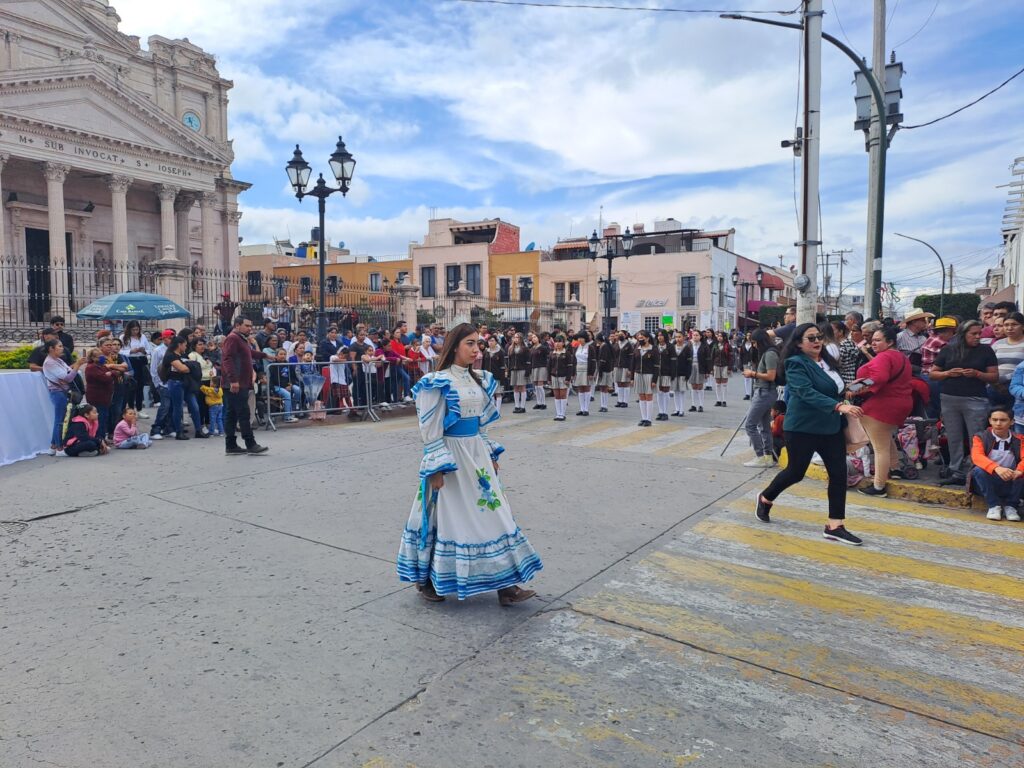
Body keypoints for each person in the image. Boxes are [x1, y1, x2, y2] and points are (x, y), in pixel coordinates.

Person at [396, 322, 542, 604]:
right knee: (447, 519)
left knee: (494, 513)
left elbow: (481, 424)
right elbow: (430, 428)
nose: (477, 349)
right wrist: (437, 467)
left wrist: (489, 454)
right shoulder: (436, 381)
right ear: (454, 347)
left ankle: (506, 586)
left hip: (477, 456)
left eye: (478, 344)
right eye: (470, 344)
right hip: (451, 458)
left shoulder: (482, 379)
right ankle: (428, 581)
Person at [755, 323, 865, 545]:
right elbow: (805, 392)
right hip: (802, 428)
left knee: (838, 474)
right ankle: (766, 497)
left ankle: (835, 525)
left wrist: (848, 391)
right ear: (798, 343)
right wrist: (838, 406)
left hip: (831, 426)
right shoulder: (795, 364)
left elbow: (831, 389)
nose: (817, 341)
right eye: (811, 338)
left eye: (819, 337)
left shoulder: (827, 362)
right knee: (795, 472)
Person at [930, 320, 998, 485]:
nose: (977, 337)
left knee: (976, 436)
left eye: (979, 334)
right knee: (953, 436)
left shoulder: (985, 350)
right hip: (949, 397)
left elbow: (994, 376)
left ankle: (976, 470)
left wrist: (977, 374)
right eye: (973, 334)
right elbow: (933, 373)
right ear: (963, 334)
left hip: (975, 399)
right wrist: (948, 373)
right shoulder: (948, 350)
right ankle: (956, 470)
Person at [854, 325, 914, 497]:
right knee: (886, 440)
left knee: (880, 447)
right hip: (900, 403)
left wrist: (855, 388)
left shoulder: (884, 357)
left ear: (890, 342)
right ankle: (895, 469)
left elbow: (878, 378)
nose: (874, 343)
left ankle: (879, 486)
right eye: (872, 340)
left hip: (881, 406)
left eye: (878, 340)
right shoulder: (901, 357)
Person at [221, 316, 269, 455]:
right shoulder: (233, 338)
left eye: (251, 326)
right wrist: (233, 380)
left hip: (240, 382)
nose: (250, 328)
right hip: (236, 383)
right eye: (247, 326)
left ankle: (231, 445)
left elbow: (249, 353)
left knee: (232, 414)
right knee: (243, 413)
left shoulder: (240, 339)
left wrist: (265, 355)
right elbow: (227, 359)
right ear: (237, 325)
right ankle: (250, 443)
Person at [969, 407, 1024, 521]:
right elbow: (977, 457)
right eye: (994, 420)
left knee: (1022, 473)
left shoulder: (1020, 439)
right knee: (978, 470)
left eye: (1003, 420)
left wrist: (1019, 471)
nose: (998, 423)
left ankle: (1012, 506)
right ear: (989, 421)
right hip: (987, 483)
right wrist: (996, 468)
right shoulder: (980, 437)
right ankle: (993, 505)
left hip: (1011, 481)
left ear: (1012, 422)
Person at [41, 338, 87, 456]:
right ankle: (60, 448)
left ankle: (53, 445)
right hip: (57, 392)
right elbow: (68, 377)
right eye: (59, 346)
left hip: (63, 391)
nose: (62, 348)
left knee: (61, 418)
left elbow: (68, 373)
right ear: (51, 349)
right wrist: (77, 365)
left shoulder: (59, 360)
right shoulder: (49, 362)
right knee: (60, 420)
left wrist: (71, 371)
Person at [742, 329, 779, 467]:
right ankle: (767, 457)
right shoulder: (769, 352)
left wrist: (752, 373)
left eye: (755, 342)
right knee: (764, 426)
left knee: (750, 425)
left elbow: (771, 376)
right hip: (765, 391)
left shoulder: (770, 354)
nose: (754, 346)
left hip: (765, 392)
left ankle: (760, 456)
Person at [920, 316, 957, 419]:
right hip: (933, 377)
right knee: (937, 405)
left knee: (932, 404)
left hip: (927, 375)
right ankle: (934, 427)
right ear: (947, 331)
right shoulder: (941, 342)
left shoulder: (932, 338)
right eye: (952, 332)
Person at [990, 311, 1024, 408]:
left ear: (1022, 326)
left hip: (1017, 388)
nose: (1009, 328)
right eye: (1006, 325)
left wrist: (1005, 379)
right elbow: (989, 364)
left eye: (1014, 324)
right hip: (994, 387)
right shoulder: (997, 344)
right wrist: (996, 383)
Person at [83, 347, 117, 441]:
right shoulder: (91, 367)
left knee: (104, 417)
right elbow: (105, 378)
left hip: (105, 397)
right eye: (98, 356)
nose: (102, 358)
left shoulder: (102, 366)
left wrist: (111, 373)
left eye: (101, 355)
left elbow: (114, 373)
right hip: (97, 397)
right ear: (93, 358)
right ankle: (99, 439)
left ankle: (102, 438)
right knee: (100, 418)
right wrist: (110, 374)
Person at [631, 330, 657, 427]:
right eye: (639, 337)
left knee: (648, 396)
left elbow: (656, 366)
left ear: (647, 338)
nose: (640, 338)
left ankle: (648, 419)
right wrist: (632, 378)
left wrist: (654, 379)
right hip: (638, 374)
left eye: (642, 337)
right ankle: (643, 418)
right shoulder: (637, 348)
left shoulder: (653, 349)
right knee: (641, 396)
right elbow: (633, 363)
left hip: (649, 375)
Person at [547, 334, 574, 422]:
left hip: (563, 377)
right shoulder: (552, 353)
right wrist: (549, 378)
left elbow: (570, 367)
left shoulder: (567, 353)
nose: (557, 344)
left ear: (563, 343)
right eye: (556, 342)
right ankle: (558, 413)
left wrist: (568, 378)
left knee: (563, 395)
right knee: (556, 395)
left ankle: (562, 414)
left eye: (559, 342)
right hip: (554, 376)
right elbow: (549, 367)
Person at [506, 333, 530, 414]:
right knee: (515, 388)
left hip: (522, 369)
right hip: (513, 369)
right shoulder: (510, 348)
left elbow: (528, 361)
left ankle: (522, 406)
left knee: (522, 387)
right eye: (514, 337)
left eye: (517, 337)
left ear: (521, 339)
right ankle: (516, 406)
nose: (515, 339)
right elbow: (509, 361)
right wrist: (508, 371)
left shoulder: (525, 348)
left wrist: (527, 371)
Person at [481, 335, 506, 414]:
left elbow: (502, 365)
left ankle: (497, 411)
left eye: (492, 340)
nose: (490, 342)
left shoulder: (500, 352)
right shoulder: (486, 352)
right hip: (488, 376)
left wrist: (502, 376)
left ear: (496, 342)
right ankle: (492, 410)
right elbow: (483, 364)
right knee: (490, 394)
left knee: (498, 393)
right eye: (489, 341)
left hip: (497, 375)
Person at [573, 332, 595, 416]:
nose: (579, 340)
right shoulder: (576, 348)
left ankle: (586, 409)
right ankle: (581, 408)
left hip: (586, 369)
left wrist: (591, 373)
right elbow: (574, 360)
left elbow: (593, 361)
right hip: (578, 369)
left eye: (581, 338)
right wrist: (573, 372)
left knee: (586, 388)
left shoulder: (590, 348)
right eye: (578, 338)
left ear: (585, 338)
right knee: (580, 389)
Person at [671, 330, 692, 417]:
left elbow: (689, 363)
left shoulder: (687, 348)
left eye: (679, 337)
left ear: (684, 338)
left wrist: (688, 374)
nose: (678, 339)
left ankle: (682, 410)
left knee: (681, 391)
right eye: (676, 337)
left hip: (683, 372)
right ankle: (677, 409)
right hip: (674, 373)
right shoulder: (672, 347)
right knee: (675, 391)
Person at [529, 332, 550, 411]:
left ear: (538, 338)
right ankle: (538, 402)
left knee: (540, 385)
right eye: (533, 337)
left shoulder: (543, 348)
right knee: (536, 386)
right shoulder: (531, 348)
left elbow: (548, 355)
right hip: (534, 367)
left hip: (541, 367)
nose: (534, 338)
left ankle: (543, 403)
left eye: (535, 337)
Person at [711, 330, 731, 407]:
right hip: (716, 365)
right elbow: (712, 356)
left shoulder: (727, 345)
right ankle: (718, 400)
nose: (719, 337)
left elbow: (730, 357)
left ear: (724, 337)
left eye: (721, 336)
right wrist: (711, 368)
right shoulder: (715, 345)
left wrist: (730, 367)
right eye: (718, 336)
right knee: (717, 383)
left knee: (724, 384)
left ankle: (724, 400)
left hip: (725, 365)